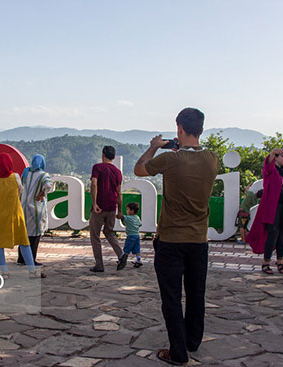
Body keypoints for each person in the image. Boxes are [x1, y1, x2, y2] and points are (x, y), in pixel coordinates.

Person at [134, 107, 218, 366]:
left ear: (179, 128)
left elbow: (139, 169)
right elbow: (192, 160)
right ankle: (192, 341)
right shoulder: (212, 159)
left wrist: (154, 147)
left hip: (171, 239)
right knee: (196, 294)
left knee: (171, 297)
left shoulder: (170, 160)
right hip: (199, 240)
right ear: (201, 130)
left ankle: (178, 352)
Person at [0, 153, 35, 279]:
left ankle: (4, 271)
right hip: (15, 216)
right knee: (24, 242)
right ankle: (32, 270)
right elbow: (21, 192)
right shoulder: (15, 177)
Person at [246, 148, 283, 275]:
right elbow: (267, 164)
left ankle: (280, 262)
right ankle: (266, 262)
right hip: (274, 207)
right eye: (282, 156)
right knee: (272, 233)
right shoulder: (271, 171)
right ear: (276, 158)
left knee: (282, 235)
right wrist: (273, 152)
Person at [17, 154, 53, 278]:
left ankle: (21, 258)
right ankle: (31, 259)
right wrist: (42, 193)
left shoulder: (26, 172)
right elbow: (49, 186)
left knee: (24, 234)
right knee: (35, 235)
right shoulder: (43, 175)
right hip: (36, 208)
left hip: (23, 206)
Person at [89, 146, 124, 272]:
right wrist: (119, 210)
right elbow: (119, 193)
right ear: (114, 157)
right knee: (109, 232)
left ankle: (99, 264)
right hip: (112, 207)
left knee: (95, 236)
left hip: (99, 207)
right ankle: (121, 254)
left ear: (103, 154)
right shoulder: (117, 172)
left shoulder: (97, 167)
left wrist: (94, 203)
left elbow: (94, 184)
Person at [116, 202, 143, 268]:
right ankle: (138, 260)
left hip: (130, 236)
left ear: (132, 211)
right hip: (137, 236)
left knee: (126, 250)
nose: (127, 211)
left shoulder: (128, 218)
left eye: (128, 209)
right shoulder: (137, 217)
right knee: (137, 249)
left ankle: (122, 260)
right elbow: (139, 224)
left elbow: (120, 217)